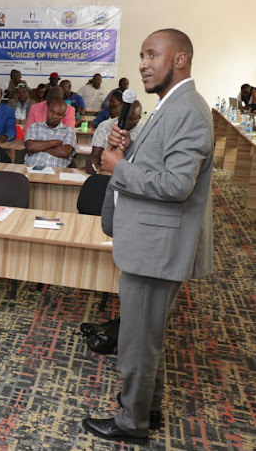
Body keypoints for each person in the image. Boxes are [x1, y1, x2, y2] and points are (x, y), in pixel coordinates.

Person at [82, 29, 214, 444]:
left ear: (180, 59)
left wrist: (118, 166)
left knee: (138, 341)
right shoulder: (169, 106)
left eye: (152, 54)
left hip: (157, 247)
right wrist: (130, 148)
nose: (142, 63)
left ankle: (131, 424)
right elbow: (162, 161)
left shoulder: (188, 109)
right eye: (141, 55)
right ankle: (147, 410)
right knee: (147, 335)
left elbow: (177, 185)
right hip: (151, 242)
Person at [85, 100, 143, 174]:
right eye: (123, 117)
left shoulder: (145, 132)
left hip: (130, 176)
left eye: (131, 119)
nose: (126, 121)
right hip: (105, 173)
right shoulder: (105, 126)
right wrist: (93, 165)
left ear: (139, 118)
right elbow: (95, 156)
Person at [23, 99, 76, 168]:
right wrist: (55, 143)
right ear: (47, 110)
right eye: (52, 111)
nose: (54, 116)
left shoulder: (68, 131)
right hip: (31, 168)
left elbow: (64, 152)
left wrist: (39, 147)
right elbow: (30, 146)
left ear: (63, 116)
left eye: (58, 114)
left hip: (56, 172)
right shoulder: (34, 126)